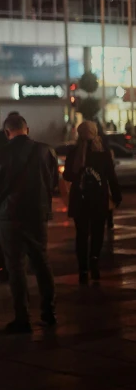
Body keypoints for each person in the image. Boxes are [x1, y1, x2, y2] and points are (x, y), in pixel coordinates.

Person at [0, 114, 58, 333]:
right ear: (28, 129)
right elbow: (52, 181)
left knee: (15, 267)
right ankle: (49, 312)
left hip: (10, 215)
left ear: (7, 133)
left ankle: (22, 317)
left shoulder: (2, 153)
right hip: (38, 214)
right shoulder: (46, 150)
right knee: (42, 262)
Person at [63, 121, 121, 284]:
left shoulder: (73, 152)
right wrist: (117, 197)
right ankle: (94, 261)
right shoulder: (103, 154)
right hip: (98, 200)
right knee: (97, 234)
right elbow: (111, 177)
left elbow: (67, 175)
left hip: (79, 200)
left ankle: (82, 269)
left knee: (81, 235)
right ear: (96, 134)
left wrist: (78, 175)